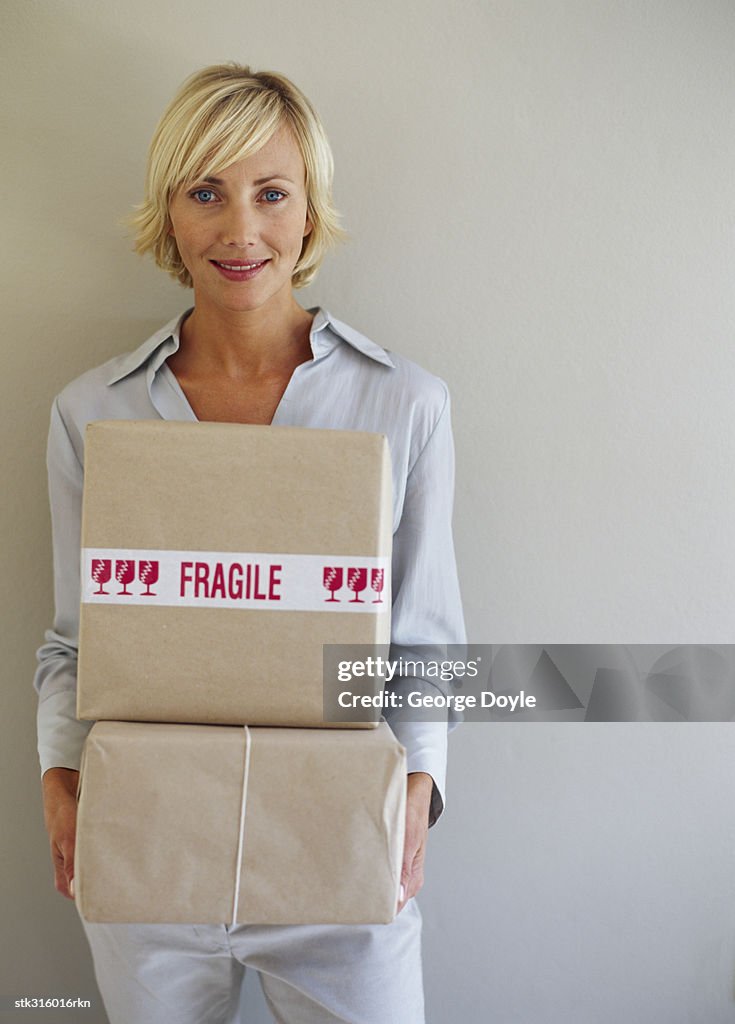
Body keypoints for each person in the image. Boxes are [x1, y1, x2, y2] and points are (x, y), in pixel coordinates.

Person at [36, 63, 465, 1024]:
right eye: (206, 192)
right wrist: (59, 783)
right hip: (150, 842)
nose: (240, 230)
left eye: (271, 193)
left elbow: (426, 635)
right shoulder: (89, 411)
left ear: (308, 212)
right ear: (170, 213)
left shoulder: (402, 403)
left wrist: (419, 790)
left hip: (338, 843)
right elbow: (76, 638)